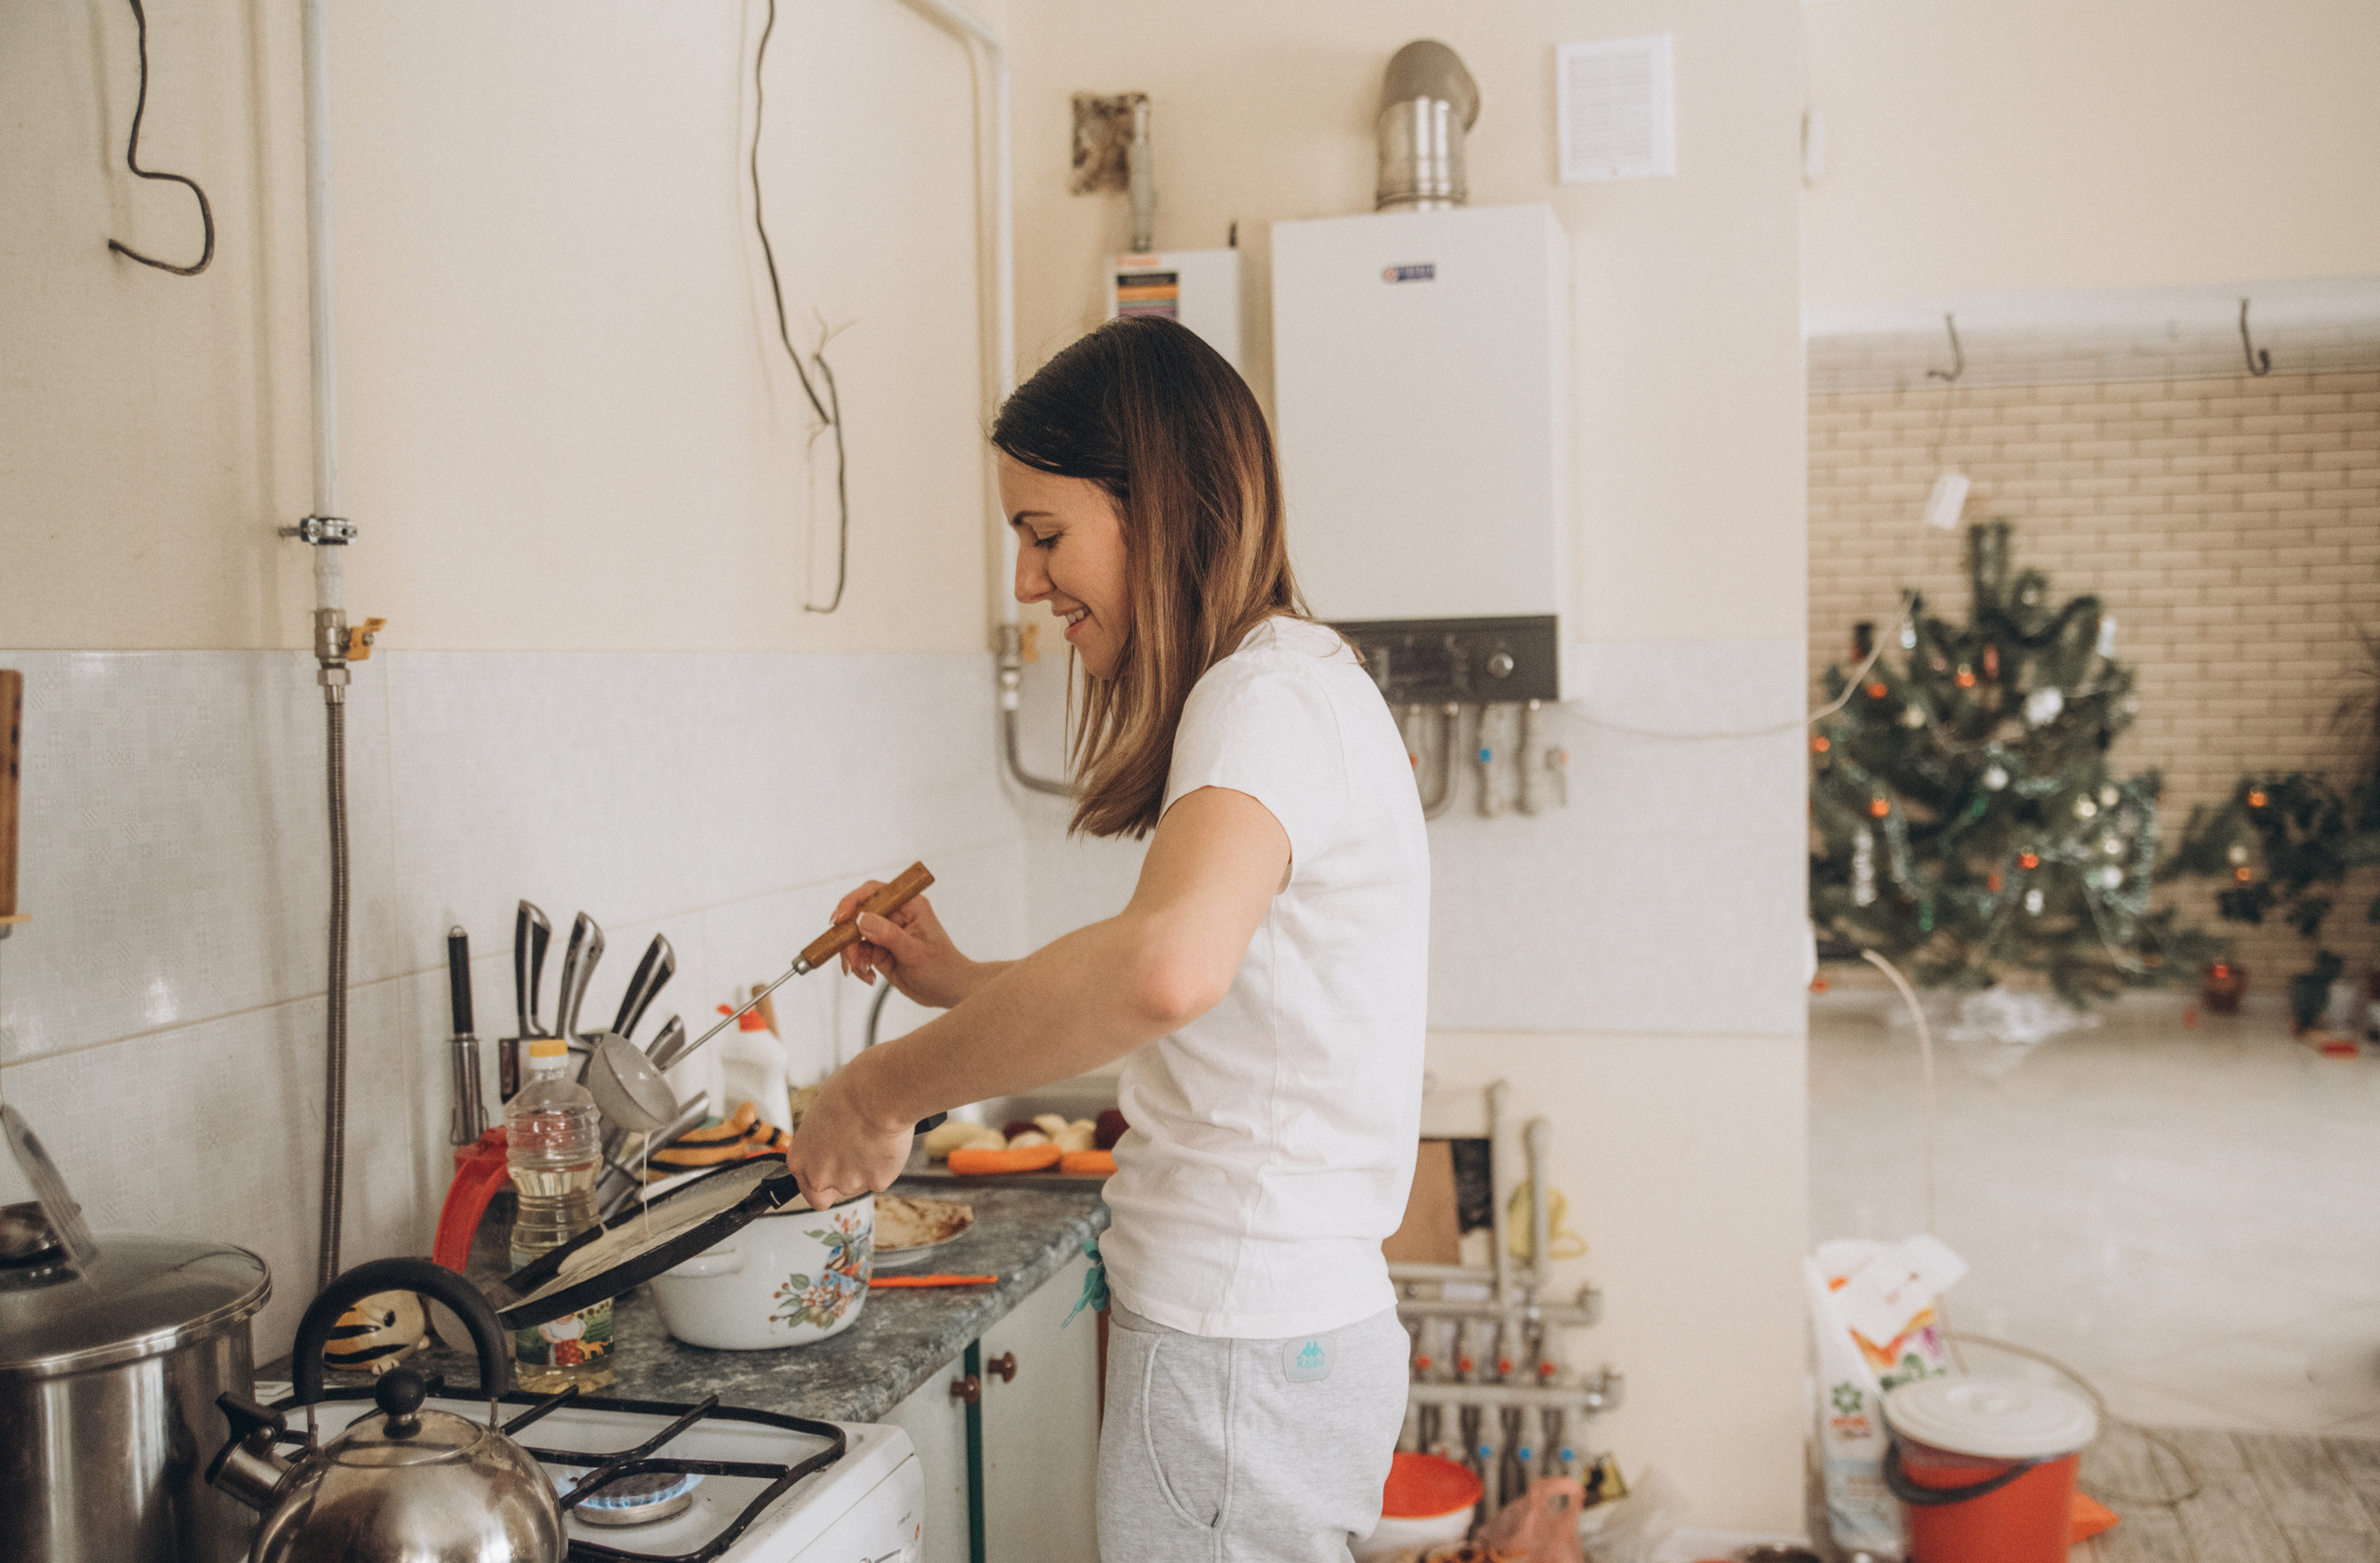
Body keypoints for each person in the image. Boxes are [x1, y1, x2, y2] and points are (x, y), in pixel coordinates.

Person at [784, 315, 1429, 1562]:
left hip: (1237, 1343)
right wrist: (959, 985)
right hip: (1275, 1338)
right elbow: (1199, 968)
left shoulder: (1263, 696)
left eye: (1044, 535)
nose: (1028, 583)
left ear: (1162, 508)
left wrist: (873, 1091)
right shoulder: (1289, 686)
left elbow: (1163, 968)